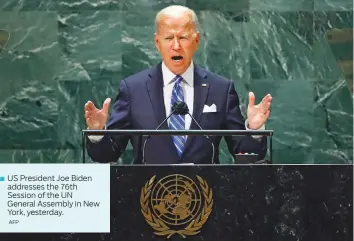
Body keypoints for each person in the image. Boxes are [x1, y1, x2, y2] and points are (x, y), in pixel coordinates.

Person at [84, 5, 272, 164]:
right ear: (157, 42)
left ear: (196, 40)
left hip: (206, 197)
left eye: (183, 37)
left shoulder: (220, 89)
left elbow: (245, 153)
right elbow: (108, 154)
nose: (176, 46)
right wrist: (97, 132)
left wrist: (254, 130)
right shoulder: (134, 89)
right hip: (147, 197)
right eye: (168, 38)